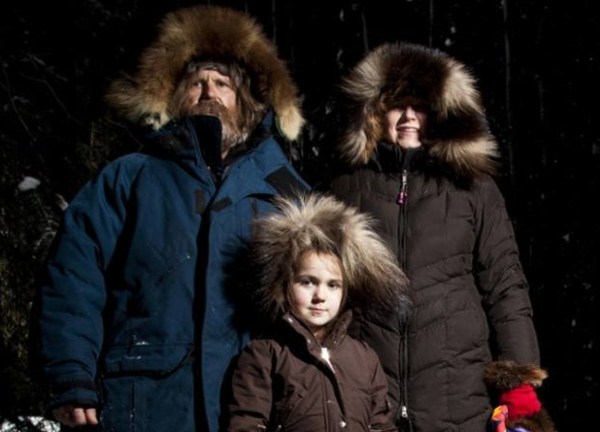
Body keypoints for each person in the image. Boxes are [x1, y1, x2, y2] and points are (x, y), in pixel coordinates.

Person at [29, 5, 308, 432]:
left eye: (222, 83)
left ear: (248, 100)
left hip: (253, 403)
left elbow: (324, 299)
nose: (208, 92)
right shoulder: (129, 176)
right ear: (176, 97)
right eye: (196, 83)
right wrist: (71, 374)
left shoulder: (286, 189)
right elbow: (75, 277)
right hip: (146, 400)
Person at [322, 42, 553, 432]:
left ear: (443, 114)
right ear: (376, 111)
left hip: (457, 397)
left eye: (422, 106)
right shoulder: (344, 186)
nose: (409, 115)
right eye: (397, 104)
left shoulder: (475, 188)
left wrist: (519, 387)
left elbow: (506, 287)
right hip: (368, 394)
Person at [226, 193, 411, 431]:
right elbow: (246, 423)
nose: (320, 296)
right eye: (307, 282)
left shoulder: (364, 358)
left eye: (333, 285)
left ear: (346, 291)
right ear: (284, 284)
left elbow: (381, 425)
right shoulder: (265, 355)